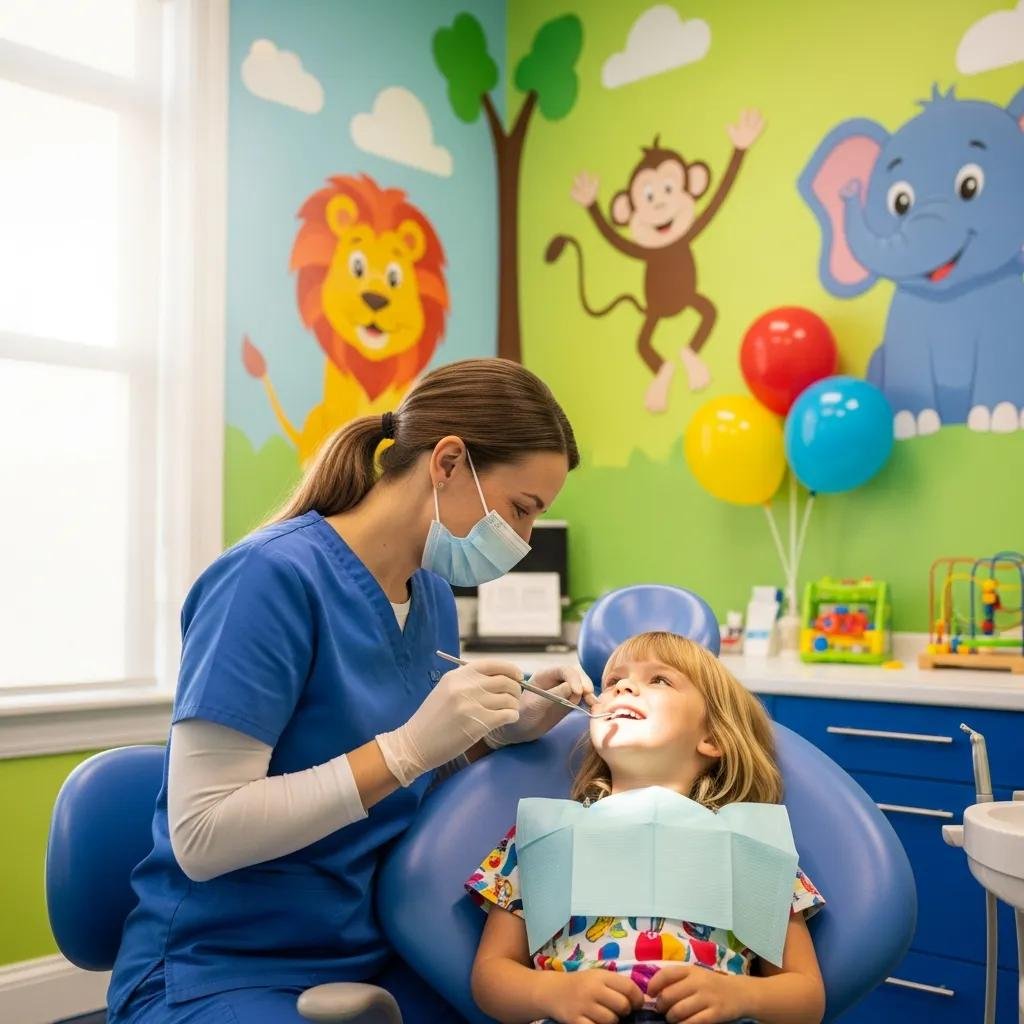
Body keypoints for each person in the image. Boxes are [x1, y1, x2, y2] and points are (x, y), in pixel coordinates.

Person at [107, 358, 588, 1023]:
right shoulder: (267, 581)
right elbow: (203, 832)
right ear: (447, 462)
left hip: (369, 945)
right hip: (222, 963)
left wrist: (499, 733)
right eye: (520, 509)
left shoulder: (432, 598)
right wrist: (408, 749)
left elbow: (398, 779)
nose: (525, 540)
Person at [466, 632, 826, 1024]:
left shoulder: (751, 844)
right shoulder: (544, 835)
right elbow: (491, 975)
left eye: (659, 679)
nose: (623, 686)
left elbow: (806, 995)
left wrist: (742, 996)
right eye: (612, 682)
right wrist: (551, 993)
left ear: (713, 737)